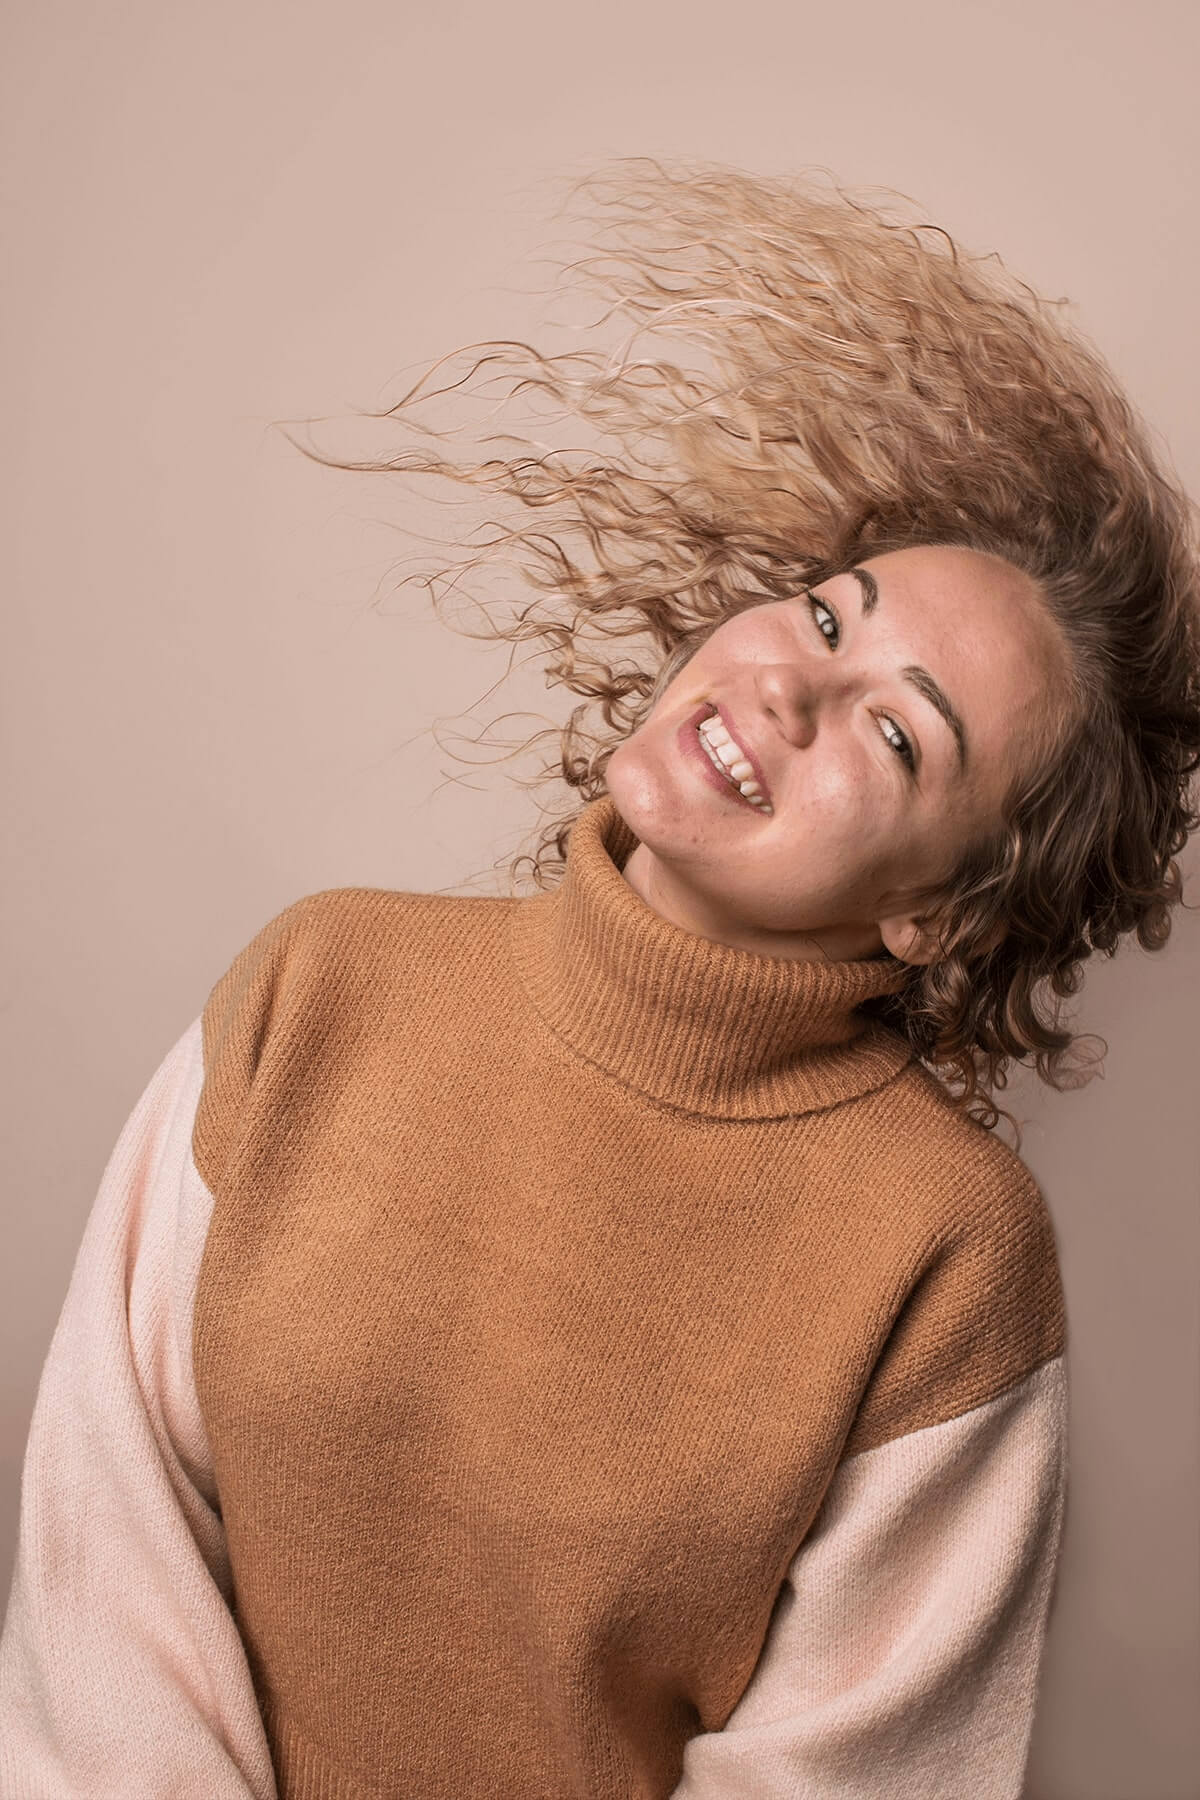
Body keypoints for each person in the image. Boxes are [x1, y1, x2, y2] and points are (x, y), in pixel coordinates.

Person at [2, 158, 1197, 1800]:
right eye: (822, 619)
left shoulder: (948, 1252)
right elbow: (105, 1563)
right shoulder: (320, 986)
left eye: (895, 731)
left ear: (942, 912)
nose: (789, 687)